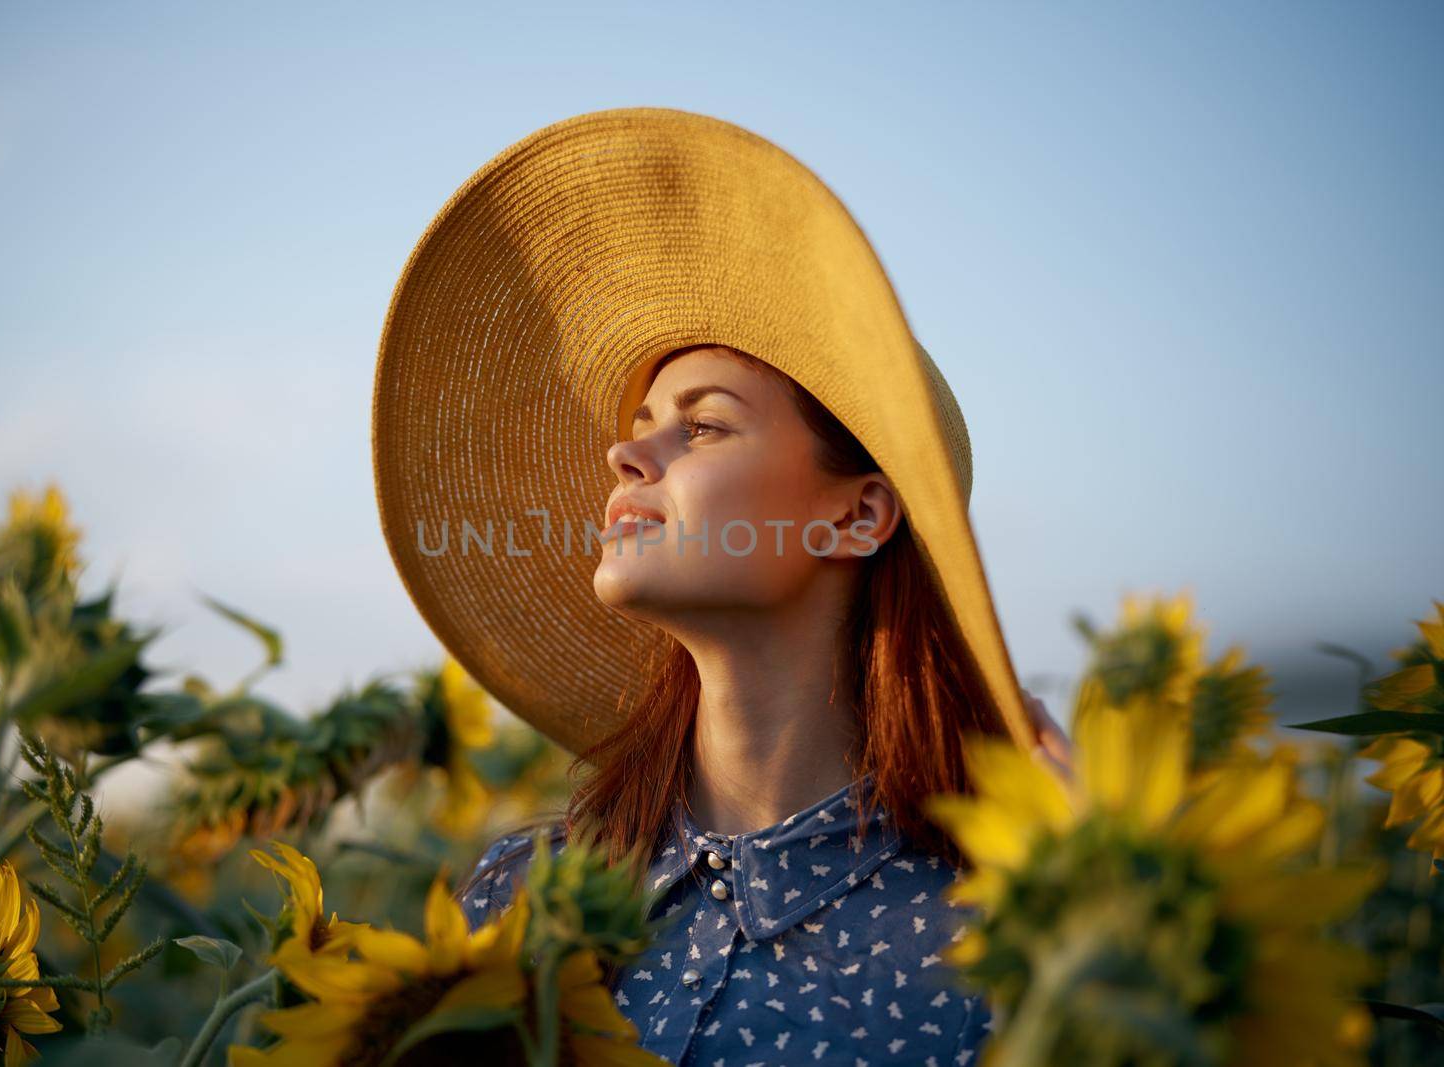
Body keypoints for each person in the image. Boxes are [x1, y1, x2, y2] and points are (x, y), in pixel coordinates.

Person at [371, 107, 1072, 1066]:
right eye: (641, 420)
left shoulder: (997, 942)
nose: (625, 452)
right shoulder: (520, 896)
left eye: (701, 427)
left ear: (859, 516)